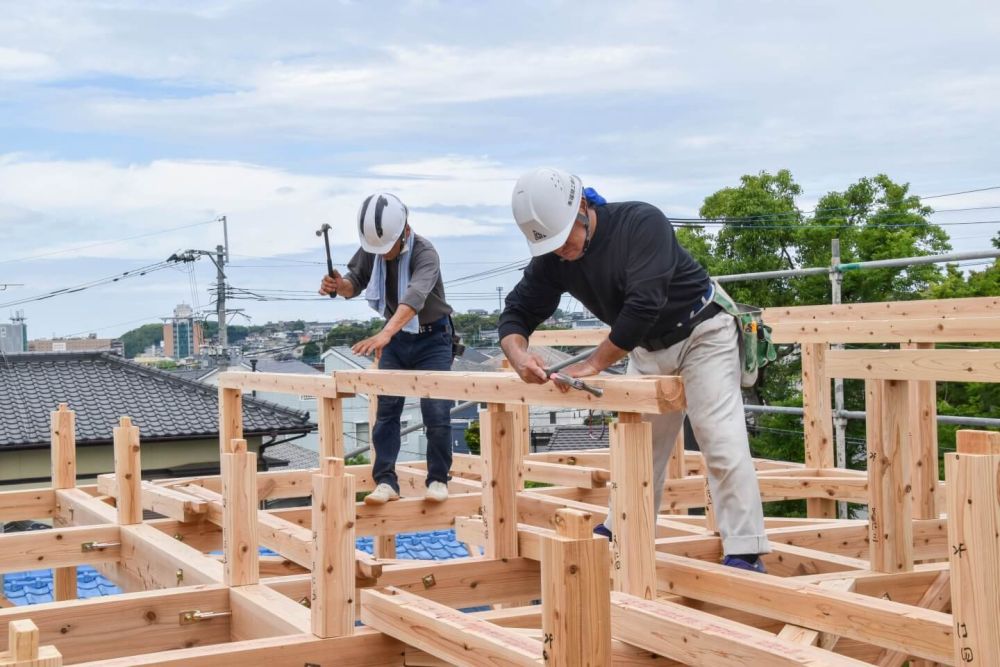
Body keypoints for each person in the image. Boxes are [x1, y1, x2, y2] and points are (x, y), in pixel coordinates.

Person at [497, 167, 771, 572]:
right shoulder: (554, 256)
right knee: (639, 446)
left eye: (563, 240)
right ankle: (622, 526)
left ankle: (745, 549)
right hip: (645, 347)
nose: (560, 252)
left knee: (720, 439)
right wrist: (518, 354)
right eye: (550, 246)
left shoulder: (642, 224)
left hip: (703, 332)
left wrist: (595, 363)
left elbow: (644, 304)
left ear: (584, 209)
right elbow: (517, 311)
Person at [319, 192, 454, 505]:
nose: (384, 254)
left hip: (433, 337)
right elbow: (355, 281)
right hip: (397, 339)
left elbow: (414, 298)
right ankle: (386, 482)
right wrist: (339, 287)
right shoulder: (374, 247)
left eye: (388, 248)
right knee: (387, 411)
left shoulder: (425, 252)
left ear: (403, 231)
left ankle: (438, 479)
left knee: (435, 410)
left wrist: (384, 333)